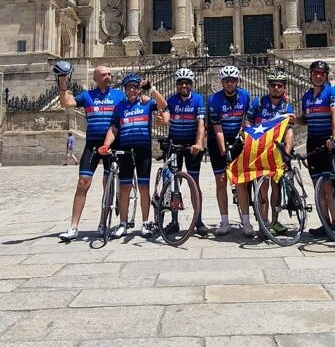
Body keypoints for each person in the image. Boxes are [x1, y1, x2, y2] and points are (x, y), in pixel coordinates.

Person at [56, 62, 124, 241]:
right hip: (92, 145)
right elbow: (66, 103)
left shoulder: (119, 96)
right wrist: (62, 82)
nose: (108, 77)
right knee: (82, 182)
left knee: (108, 184)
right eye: (104, 75)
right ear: (95, 78)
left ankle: (102, 223)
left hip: (112, 146)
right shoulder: (87, 96)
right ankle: (73, 227)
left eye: (109, 74)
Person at [99, 73, 169, 239]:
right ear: (125, 89)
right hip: (125, 151)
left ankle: (145, 223)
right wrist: (106, 145)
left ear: (139, 89)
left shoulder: (147, 103)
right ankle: (123, 224)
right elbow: (114, 128)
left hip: (143, 150)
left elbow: (163, 105)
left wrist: (151, 89)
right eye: (129, 87)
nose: (132, 90)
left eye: (135, 87)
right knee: (125, 188)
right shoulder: (119, 107)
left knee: (144, 187)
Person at [248, 69, 295, 235]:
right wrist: (249, 137)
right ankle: (264, 222)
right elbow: (248, 122)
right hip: (260, 150)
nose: (276, 88)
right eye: (273, 85)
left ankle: (275, 221)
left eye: (279, 85)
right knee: (263, 187)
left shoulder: (287, 107)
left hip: (277, 151)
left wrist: (286, 154)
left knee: (276, 187)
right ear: (268, 87)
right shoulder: (258, 103)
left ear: (284, 88)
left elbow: (289, 131)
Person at [208, 65, 252, 236]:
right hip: (217, 141)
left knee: (240, 182)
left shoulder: (245, 96)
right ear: (222, 82)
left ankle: (246, 222)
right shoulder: (214, 100)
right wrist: (224, 152)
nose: (229, 84)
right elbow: (217, 128)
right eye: (226, 81)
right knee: (221, 182)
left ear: (237, 81)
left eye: (232, 81)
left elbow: (246, 120)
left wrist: (245, 139)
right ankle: (224, 221)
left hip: (236, 139)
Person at [299, 59, 335, 237]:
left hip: (327, 142)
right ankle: (325, 224)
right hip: (312, 142)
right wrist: (291, 119)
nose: (318, 76)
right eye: (315, 73)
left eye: (321, 73)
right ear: (311, 75)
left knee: (328, 187)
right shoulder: (306, 97)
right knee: (317, 186)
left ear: (325, 76)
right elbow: (304, 119)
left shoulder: (331, 92)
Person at [165, 69, 208, 237]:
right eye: (181, 83)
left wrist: (199, 143)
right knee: (174, 184)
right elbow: (165, 114)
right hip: (175, 145)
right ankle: (174, 221)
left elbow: (201, 123)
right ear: (177, 85)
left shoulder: (198, 99)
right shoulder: (171, 100)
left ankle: (198, 220)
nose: (184, 85)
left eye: (187, 83)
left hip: (192, 146)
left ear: (191, 84)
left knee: (194, 183)